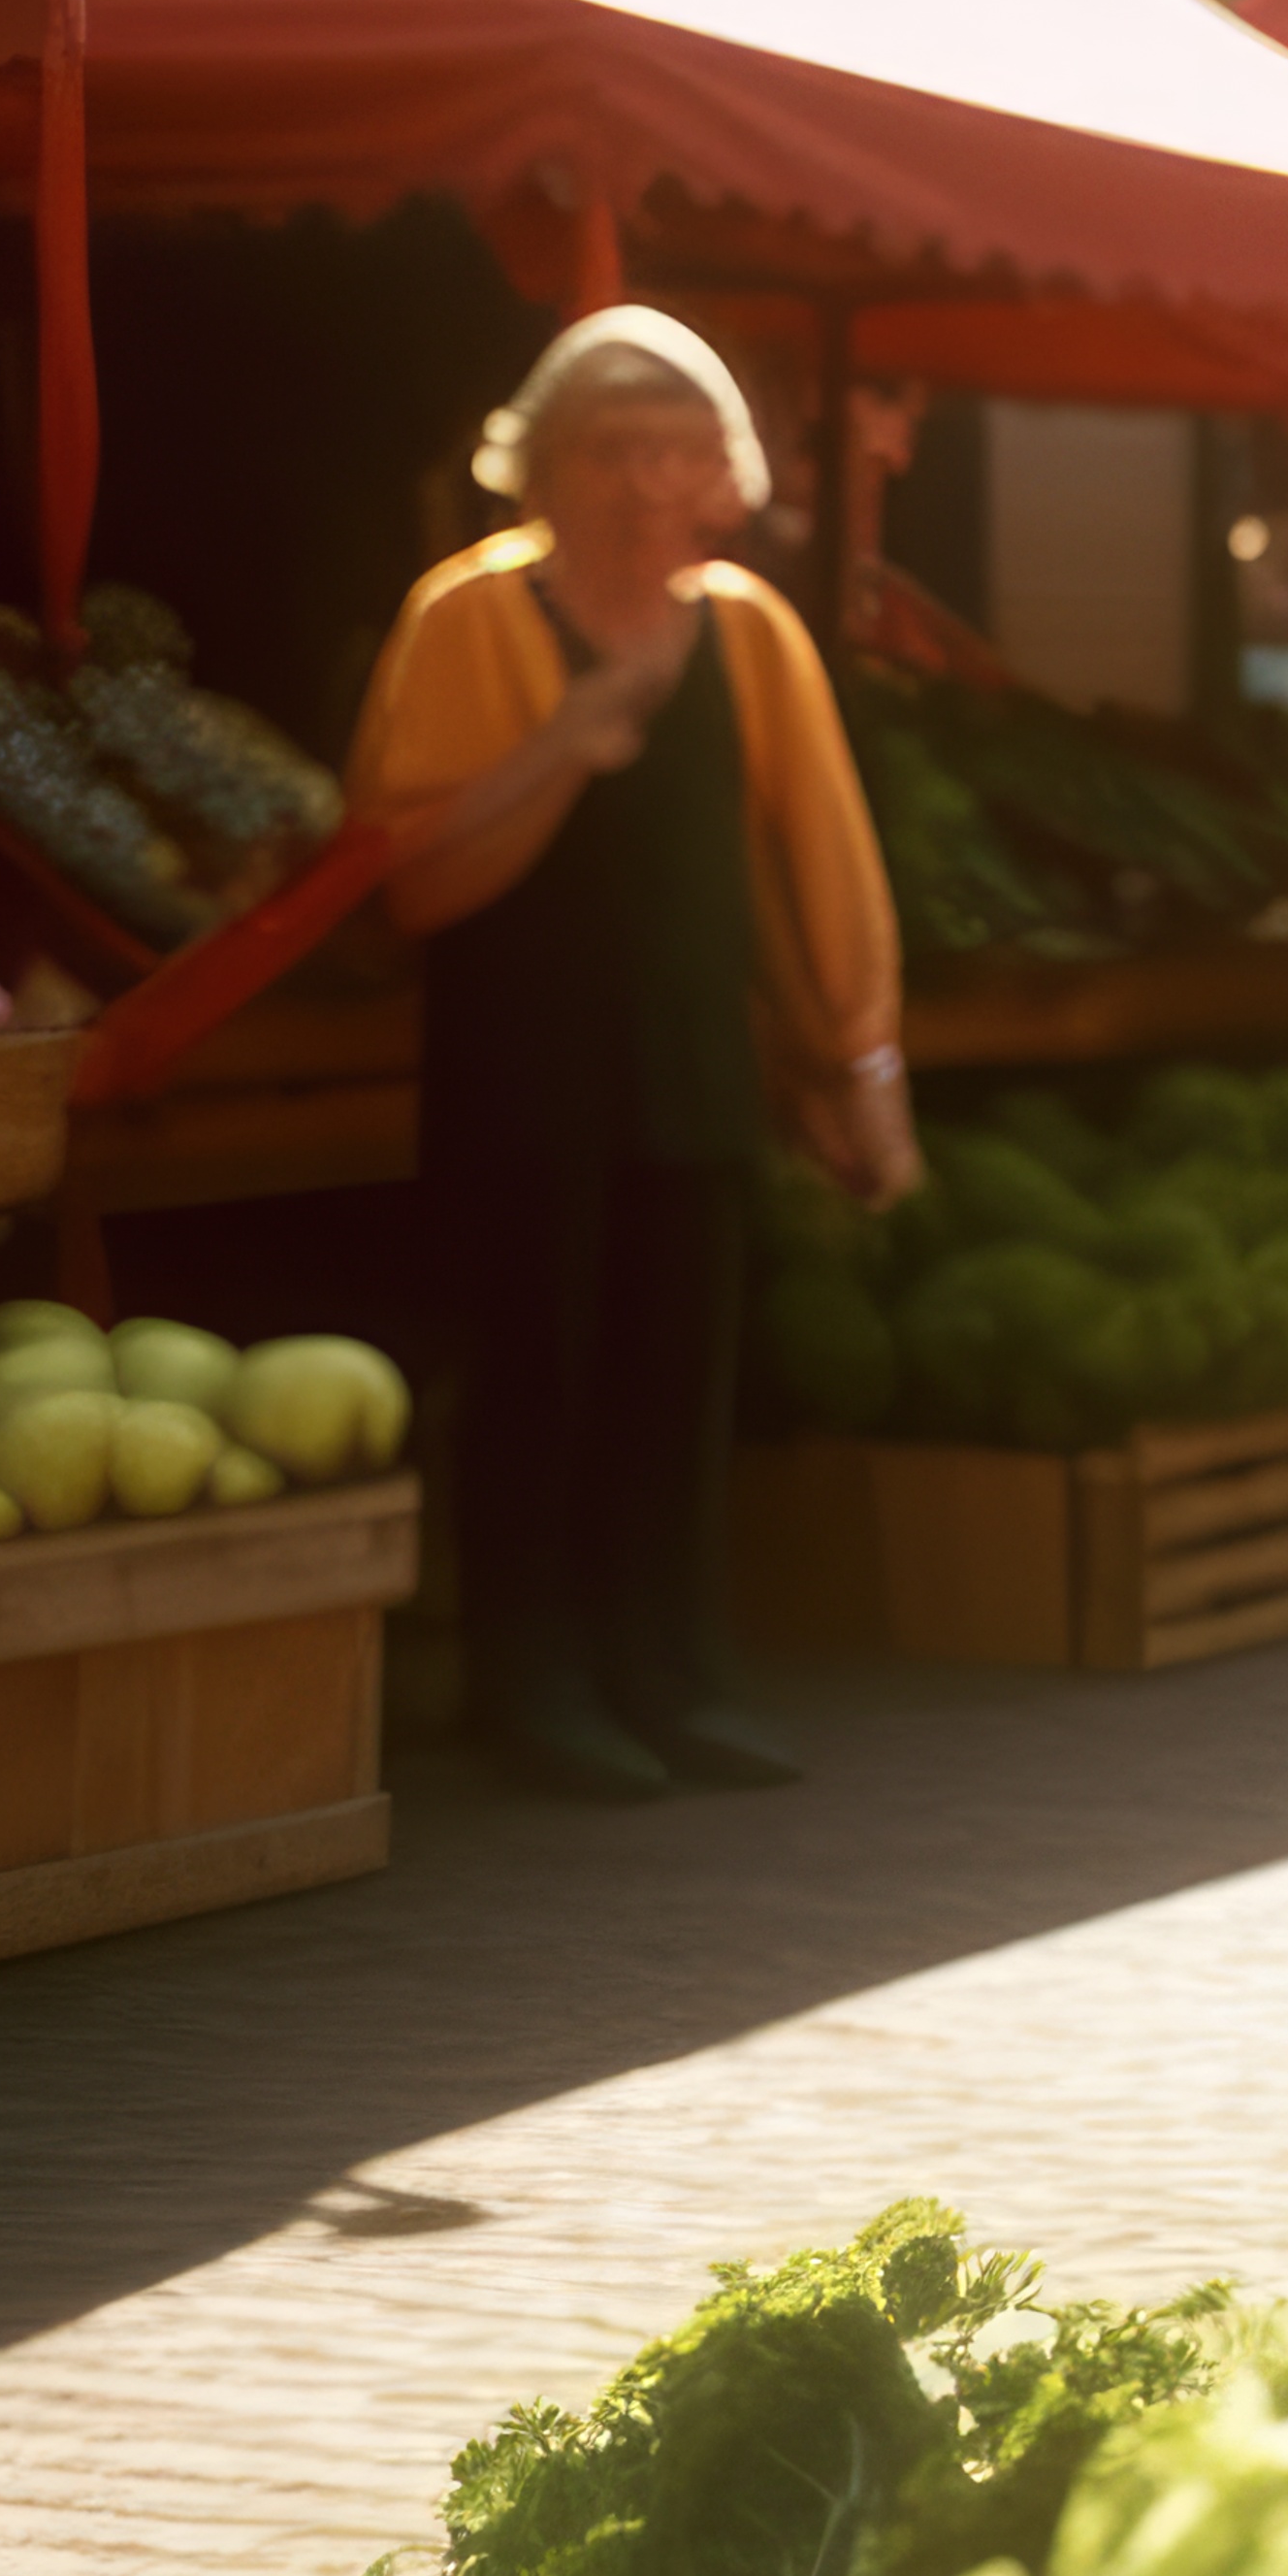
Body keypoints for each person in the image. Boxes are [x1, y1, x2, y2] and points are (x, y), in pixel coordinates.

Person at [341, 307, 916, 1803]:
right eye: (610, 449)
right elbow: (412, 878)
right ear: (539, 465)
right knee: (537, 1372)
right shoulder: (468, 616)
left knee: (676, 1377)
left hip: (691, 1068)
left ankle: (675, 1671)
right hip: (523, 1074)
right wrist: (571, 738)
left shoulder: (750, 629)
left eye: (676, 450)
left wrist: (857, 1065)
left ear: (721, 468)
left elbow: (819, 863)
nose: (647, 483)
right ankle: (530, 1681)